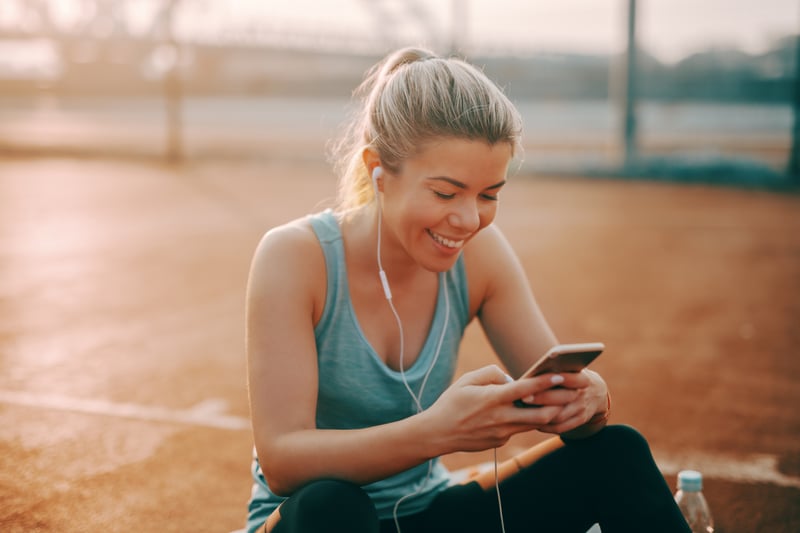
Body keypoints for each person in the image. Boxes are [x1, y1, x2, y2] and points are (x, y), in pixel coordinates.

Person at [243, 47, 691, 533]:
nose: (469, 219)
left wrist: (591, 401)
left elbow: (559, 393)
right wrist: (437, 431)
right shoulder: (295, 256)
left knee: (616, 452)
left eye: (489, 194)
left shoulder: (481, 255)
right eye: (445, 192)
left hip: (427, 514)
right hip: (316, 524)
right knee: (331, 506)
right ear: (380, 171)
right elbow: (282, 461)